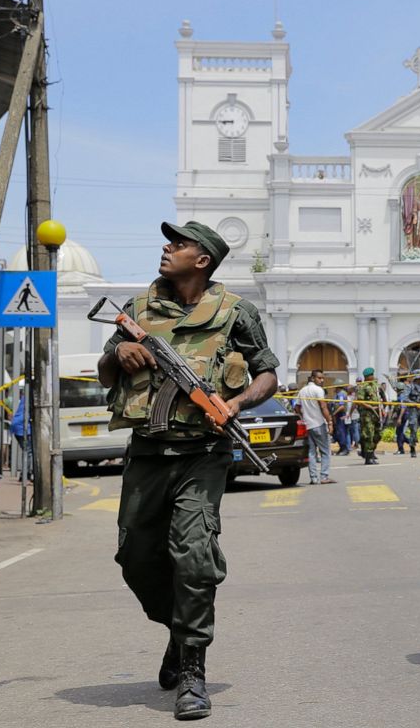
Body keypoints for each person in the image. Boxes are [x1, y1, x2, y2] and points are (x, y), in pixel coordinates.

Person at [97, 220, 278, 720]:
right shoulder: (135, 309)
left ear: (203, 260)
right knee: (135, 557)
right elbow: (105, 372)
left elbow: (268, 371)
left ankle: (193, 671)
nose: (166, 247)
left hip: (203, 452)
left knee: (193, 555)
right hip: (148, 451)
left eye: (179, 244)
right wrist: (119, 351)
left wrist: (237, 403)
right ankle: (178, 631)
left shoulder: (237, 311)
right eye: (169, 241)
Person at [297, 370, 336, 484]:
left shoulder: (302, 391)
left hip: (307, 425)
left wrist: (303, 417)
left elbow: (297, 407)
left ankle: (314, 478)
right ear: (313, 378)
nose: (322, 380)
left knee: (311, 452)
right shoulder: (318, 390)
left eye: (322, 378)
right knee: (325, 451)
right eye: (319, 378)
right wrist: (329, 422)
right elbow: (323, 407)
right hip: (318, 424)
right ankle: (324, 477)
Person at [356, 368, 383, 465]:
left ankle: (369, 451)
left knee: (378, 435)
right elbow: (359, 401)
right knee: (369, 435)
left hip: (376, 414)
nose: (373, 376)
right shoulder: (362, 387)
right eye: (371, 375)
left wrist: (381, 408)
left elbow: (380, 398)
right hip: (367, 415)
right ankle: (368, 457)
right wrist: (370, 407)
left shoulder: (375, 386)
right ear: (367, 377)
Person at [332, 384, 350, 455]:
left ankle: (344, 449)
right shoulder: (338, 394)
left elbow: (341, 406)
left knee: (341, 432)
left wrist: (334, 413)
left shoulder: (341, 394)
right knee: (338, 432)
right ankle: (341, 448)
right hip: (338, 414)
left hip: (340, 415)